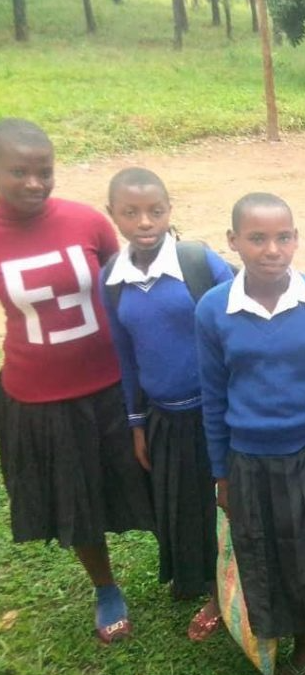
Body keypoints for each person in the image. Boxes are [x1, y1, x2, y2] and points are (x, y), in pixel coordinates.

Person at [195, 192, 305, 675]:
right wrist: (221, 473)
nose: (272, 250)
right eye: (258, 238)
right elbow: (214, 396)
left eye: (283, 237)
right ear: (233, 241)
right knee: (267, 554)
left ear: (296, 239)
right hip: (249, 459)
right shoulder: (213, 310)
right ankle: (300, 636)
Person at [0, 118, 154, 644]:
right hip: (39, 397)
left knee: (157, 479)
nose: (34, 183)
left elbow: (129, 286)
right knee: (77, 499)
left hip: (115, 385)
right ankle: (106, 587)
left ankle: (196, 570)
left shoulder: (87, 222)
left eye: (44, 171)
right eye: (18, 172)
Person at [101, 167, 233, 641]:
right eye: (131, 212)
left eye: (155, 211)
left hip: (215, 413)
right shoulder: (112, 279)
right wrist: (138, 422)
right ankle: (202, 582)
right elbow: (126, 355)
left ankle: (228, 595)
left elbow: (236, 326)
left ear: (169, 210)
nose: (144, 222)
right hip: (164, 415)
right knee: (185, 507)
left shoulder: (197, 262)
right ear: (112, 214)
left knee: (224, 505)